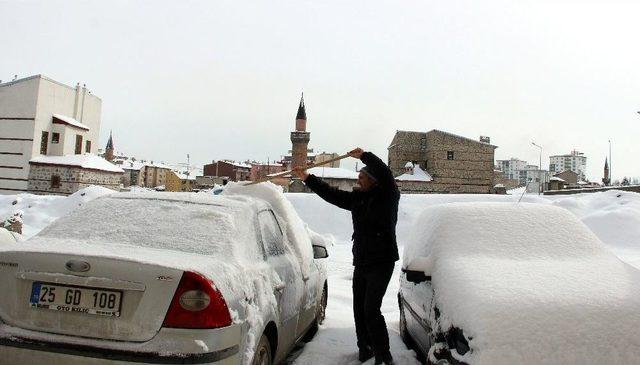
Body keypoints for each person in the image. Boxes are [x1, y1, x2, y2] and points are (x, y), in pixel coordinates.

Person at [293, 147, 399, 365]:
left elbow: (385, 173)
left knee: (371, 309)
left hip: (382, 262)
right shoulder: (357, 199)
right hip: (361, 262)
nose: (358, 179)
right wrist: (307, 178)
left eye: (363, 176)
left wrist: (364, 156)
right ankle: (365, 350)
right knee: (359, 311)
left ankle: (383, 356)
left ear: (374, 180)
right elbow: (332, 194)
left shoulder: (388, 196)